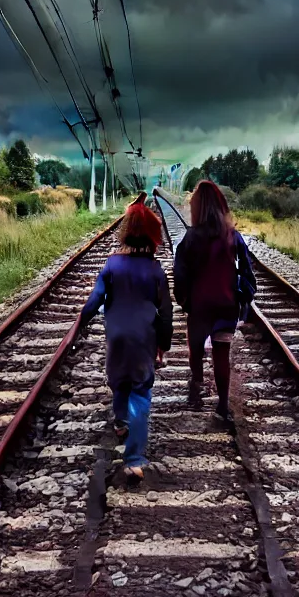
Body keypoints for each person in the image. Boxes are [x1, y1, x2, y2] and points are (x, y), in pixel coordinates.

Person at [79, 202, 173, 480]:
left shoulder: (111, 264)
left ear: (125, 233)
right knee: (141, 393)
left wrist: (80, 324)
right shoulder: (156, 272)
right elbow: (166, 312)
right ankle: (133, 460)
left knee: (119, 381)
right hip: (144, 338)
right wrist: (164, 344)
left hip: (116, 337)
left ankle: (120, 422)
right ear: (152, 238)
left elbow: (95, 299)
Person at [173, 180, 256, 420]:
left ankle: (196, 390)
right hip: (226, 305)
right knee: (222, 354)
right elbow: (248, 273)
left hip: (199, 307)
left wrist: (185, 302)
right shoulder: (233, 236)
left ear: (197, 208)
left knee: (196, 349)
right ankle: (222, 406)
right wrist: (242, 300)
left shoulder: (190, 238)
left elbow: (179, 275)